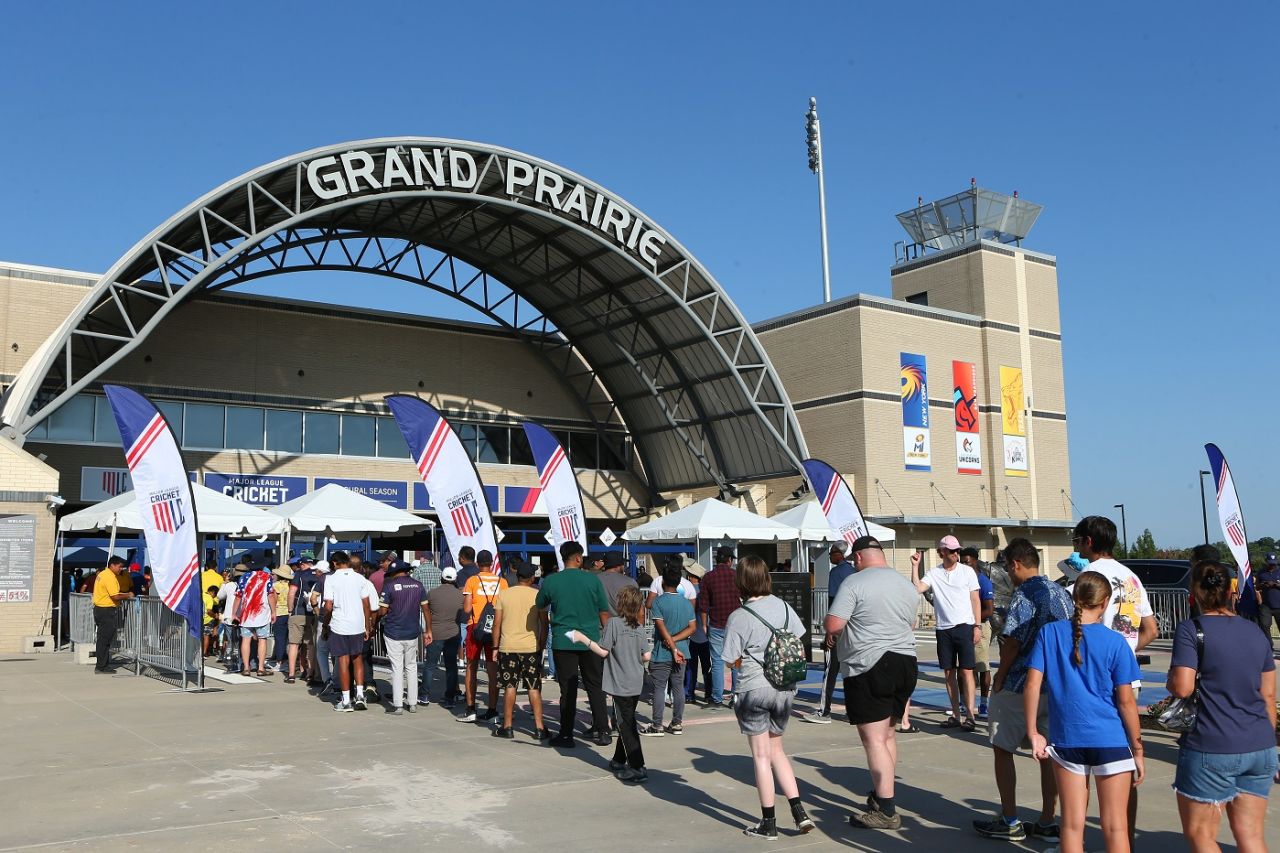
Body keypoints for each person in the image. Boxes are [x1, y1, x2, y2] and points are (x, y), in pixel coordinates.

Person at [1025, 571, 1145, 853]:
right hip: (1111, 740)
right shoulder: (1116, 643)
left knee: (1070, 825)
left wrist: (1033, 732)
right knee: (1116, 826)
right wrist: (1137, 748)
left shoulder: (1049, 633)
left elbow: (1032, 684)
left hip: (1067, 739)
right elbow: (1127, 702)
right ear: (1105, 602)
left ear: (1074, 597)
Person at [1168, 560, 1277, 852]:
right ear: (1231, 591)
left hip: (1212, 744)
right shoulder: (1255, 632)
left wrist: (1171, 679)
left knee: (1202, 835)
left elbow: (1182, 686)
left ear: (1195, 593)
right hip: (1259, 745)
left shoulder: (1192, 630)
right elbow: (1268, 696)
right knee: (1251, 835)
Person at [972, 538, 1071, 842]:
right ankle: (1047, 819)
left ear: (1015, 564)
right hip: (1055, 686)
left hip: (1020, 684)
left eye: (1009, 568)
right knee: (1049, 752)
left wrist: (1000, 676)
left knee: (1003, 748)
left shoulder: (1024, 595)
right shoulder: (1061, 593)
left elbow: (1012, 642)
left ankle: (1010, 818)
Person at [824, 536, 918, 831]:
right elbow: (912, 624)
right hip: (906, 661)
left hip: (870, 663)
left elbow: (833, 624)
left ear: (861, 558)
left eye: (854, 560)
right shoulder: (905, 584)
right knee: (888, 734)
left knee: (874, 739)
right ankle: (883, 795)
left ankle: (887, 810)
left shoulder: (855, 582)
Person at [1073, 515, 1156, 845]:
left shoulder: (1089, 576)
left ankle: (1075, 839)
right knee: (1123, 765)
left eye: (1077, 541)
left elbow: (1076, 628)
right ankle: (1126, 839)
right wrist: (1125, 654)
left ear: (1089, 542)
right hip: (1128, 682)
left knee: (1081, 764)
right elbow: (1151, 629)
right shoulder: (1132, 577)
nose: (1076, 547)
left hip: (1092, 682)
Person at [722, 555, 814, 839]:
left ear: (741, 581)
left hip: (754, 687)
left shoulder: (739, 616)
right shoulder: (785, 606)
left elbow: (729, 659)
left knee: (761, 756)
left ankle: (768, 823)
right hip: (784, 688)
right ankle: (800, 813)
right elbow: (799, 637)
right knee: (777, 751)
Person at [568, 585, 650, 782]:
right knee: (626, 721)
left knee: (625, 724)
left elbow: (603, 651)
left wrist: (582, 639)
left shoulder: (613, 624)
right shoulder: (639, 628)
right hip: (636, 681)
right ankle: (618, 759)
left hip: (620, 683)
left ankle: (638, 767)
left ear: (621, 604)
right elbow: (646, 655)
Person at [537, 540, 611, 747]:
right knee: (595, 686)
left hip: (564, 639)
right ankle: (603, 730)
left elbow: (540, 604)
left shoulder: (551, 581)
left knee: (567, 689)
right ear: (578, 558)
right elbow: (603, 611)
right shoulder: (593, 581)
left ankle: (566, 734)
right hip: (591, 640)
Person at [911, 535, 981, 729]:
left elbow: (975, 600)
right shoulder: (934, 573)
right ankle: (956, 715)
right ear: (942, 552)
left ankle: (970, 716)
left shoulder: (967, 572)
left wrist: (977, 626)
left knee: (967, 671)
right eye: (952, 551)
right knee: (948, 672)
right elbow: (917, 588)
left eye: (957, 550)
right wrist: (915, 566)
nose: (956, 554)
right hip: (944, 629)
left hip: (965, 626)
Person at [492, 559, 549, 740]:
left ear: (517, 576)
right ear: (532, 578)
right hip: (530, 646)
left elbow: (497, 624)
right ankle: (539, 727)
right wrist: (541, 643)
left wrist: (495, 646)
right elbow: (544, 623)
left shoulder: (504, 594)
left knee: (509, 686)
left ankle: (507, 726)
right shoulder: (537, 595)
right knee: (533, 687)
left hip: (508, 646)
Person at [641, 562, 696, 737]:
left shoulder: (659, 602)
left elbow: (660, 624)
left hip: (662, 651)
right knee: (678, 687)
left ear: (663, 581)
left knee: (659, 687)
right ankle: (677, 723)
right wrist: (676, 641)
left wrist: (670, 642)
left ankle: (657, 725)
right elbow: (692, 628)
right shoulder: (687, 604)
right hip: (683, 650)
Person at [805, 541, 855, 724]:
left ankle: (824, 711)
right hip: (854, 629)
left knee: (831, 669)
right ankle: (853, 711)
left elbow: (834, 604)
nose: (830, 556)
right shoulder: (855, 573)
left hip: (839, 628)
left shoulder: (836, 573)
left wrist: (829, 631)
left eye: (832, 552)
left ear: (840, 554)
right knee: (850, 671)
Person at [457, 549, 507, 723]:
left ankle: (471, 709)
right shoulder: (503, 582)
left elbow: (467, 609)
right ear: (492, 564)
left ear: (478, 563)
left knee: (472, 666)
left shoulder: (472, 580)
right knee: (493, 669)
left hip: (475, 627)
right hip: (495, 628)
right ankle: (492, 711)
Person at [322, 551, 373, 712]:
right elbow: (366, 604)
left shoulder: (330, 579)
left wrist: (325, 624)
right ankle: (359, 695)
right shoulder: (360, 579)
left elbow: (328, 605)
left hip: (339, 625)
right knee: (357, 659)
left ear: (335, 563)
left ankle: (345, 700)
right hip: (357, 624)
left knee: (343, 661)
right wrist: (367, 625)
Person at [379, 560, 428, 714]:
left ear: (394, 573)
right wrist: (429, 630)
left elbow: (382, 611)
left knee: (397, 668)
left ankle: (398, 705)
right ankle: (412, 703)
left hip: (393, 631)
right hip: (412, 631)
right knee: (411, 667)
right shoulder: (418, 585)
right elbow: (426, 609)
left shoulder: (389, 586)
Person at [698, 547, 741, 709]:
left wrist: (704, 624)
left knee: (717, 662)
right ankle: (736, 697)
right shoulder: (737, 576)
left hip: (715, 624)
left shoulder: (708, 578)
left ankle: (717, 699)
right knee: (736, 661)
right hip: (736, 625)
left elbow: (704, 606)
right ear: (729, 560)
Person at [959, 547, 996, 717]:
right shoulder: (961, 579)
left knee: (982, 666)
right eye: (962, 562)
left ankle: (983, 704)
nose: (964, 565)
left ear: (975, 561)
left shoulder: (983, 581)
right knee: (964, 667)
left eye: (967, 562)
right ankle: (963, 702)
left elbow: (989, 610)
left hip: (980, 626)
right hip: (963, 627)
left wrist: (972, 618)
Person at [421, 566, 464, 708]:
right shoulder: (460, 595)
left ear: (442, 578)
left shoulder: (432, 593)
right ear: (455, 579)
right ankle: (449, 698)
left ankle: (425, 695)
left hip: (436, 632)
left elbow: (426, 610)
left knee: (430, 665)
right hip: (453, 632)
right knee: (451, 666)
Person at [234, 561, 277, 677]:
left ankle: (246, 668)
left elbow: (238, 596)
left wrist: (234, 613)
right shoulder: (266, 577)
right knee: (262, 640)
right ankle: (261, 668)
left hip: (246, 614)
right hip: (262, 613)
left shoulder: (243, 578)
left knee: (246, 640)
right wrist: (273, 612)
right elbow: (271, 594)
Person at [92, 556, 134, 673]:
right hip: (106, 610)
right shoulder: (110, 577)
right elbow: (115, 596)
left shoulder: (103, 574)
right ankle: (101, 667)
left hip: (100, 609)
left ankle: (102, 664)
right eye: (120, 566)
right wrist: (128, 595)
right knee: (105, 640)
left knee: (102, 639)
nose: (121, 569)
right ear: (113, 565)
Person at [682, 560, 712, 705]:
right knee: (707, 667)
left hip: (691, 635)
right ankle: (708, 693)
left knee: (691, 667)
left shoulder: (687, 590)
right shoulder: (705, 589)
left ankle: (689, 693)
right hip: (705, 634)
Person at [285, 555, 318, 684]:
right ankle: (310, 673)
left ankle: (292, 674)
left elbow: (292, 593)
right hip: (313, 613)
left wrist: (290, 609)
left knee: (294, 644)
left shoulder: (299, 574)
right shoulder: (318, 575)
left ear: (303, 564)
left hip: (298, 611)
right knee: (310, 645)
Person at [598, 550, 638, 616]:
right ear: (619, 565)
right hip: (624, 623)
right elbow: (638, 607)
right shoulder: (630, 582)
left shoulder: (595, 579)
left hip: (601, 624)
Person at [269, 563, 293, 671]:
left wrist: (272, 612)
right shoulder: (291, 585)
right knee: (289, 639)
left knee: (279, 638)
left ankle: (280, 662)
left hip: (279, 612)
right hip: (289, 613)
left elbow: (273, 599)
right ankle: (289, 661)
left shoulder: (276, 585)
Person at [1254, 553, 1279, 654]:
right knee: (1264, 625)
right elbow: (1257, 587)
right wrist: (1263, 584)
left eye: (1274, 564)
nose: (1272, 565)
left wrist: (1275, 584)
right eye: (1270, 563)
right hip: (1266, 605)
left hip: (1279, 605)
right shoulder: (1261, 572)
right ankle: (1269, 647)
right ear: (1266, 562)